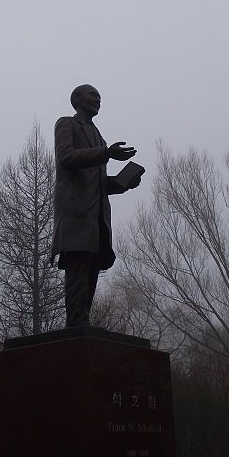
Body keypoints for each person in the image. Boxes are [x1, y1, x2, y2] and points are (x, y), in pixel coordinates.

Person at [50, 84, 141, 327]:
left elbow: (99, 183)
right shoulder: (66, 124)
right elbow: (66, 158)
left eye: (100, 97)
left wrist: (124, 183)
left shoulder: (99, 136)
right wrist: (105, 153)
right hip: (76, 215)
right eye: (94, 96)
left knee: (89, 275)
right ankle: (76, 325)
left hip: (96, 217)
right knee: (77, 272)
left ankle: (82, 324)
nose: (99, 100)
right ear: (77, 99)